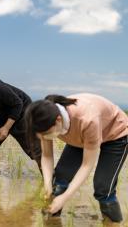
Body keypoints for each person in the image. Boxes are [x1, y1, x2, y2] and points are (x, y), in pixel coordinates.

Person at [24, 93, 128, 222]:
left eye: (46, 134)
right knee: (59, 179)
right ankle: (52, 221)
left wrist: (65, 197)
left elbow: (86, 165)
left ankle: (113, 224)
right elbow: (47, 156)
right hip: (81, 135)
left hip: (115, 134)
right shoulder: (44, 120)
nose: (44, 138)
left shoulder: (87, 119)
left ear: (58, 120)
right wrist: (47, 185)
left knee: (103, 189)